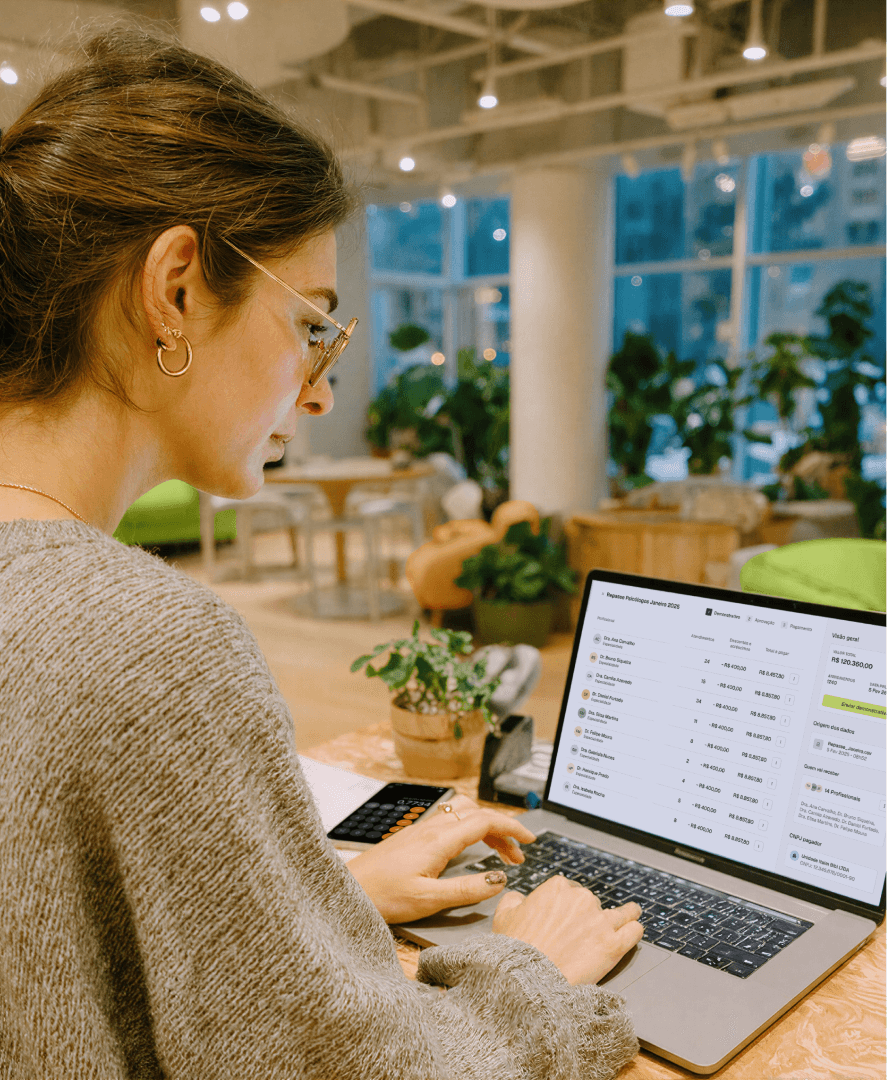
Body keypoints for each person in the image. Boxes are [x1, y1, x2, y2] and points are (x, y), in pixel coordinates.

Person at [0, 26, 644, 1079]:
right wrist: (530, 975)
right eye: (311, 327)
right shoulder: (142, 644)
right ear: (173, 290)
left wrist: (314, 903)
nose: (320, 390)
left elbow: (50, 959)